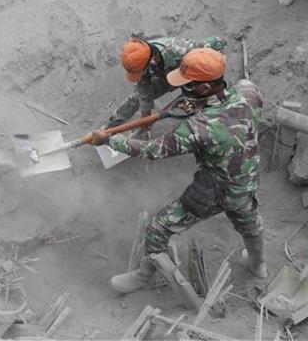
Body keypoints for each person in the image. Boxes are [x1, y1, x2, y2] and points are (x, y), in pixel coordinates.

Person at [89, 48, 267, 293]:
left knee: (159, 227)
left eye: (188, 84)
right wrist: (202, 105)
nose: (183, 88)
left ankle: (143, 275)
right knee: (251, 226)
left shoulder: (199, 128)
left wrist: (109, 140)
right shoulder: (250, 92)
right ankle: (258, 266)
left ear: (204, 88)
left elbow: (153, 150)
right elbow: (233, 106)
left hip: (215, 190)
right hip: (248, 180)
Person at [105, 35, 227, 130]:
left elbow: (218, 41)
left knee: (196, 106)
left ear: (152, 60)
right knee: (135, 98)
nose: (140, 75)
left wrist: (216, 63)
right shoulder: (142, 58)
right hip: (167, 75)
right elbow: (143, 83)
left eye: (140, 72)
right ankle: (110, 126)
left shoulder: (183, 49)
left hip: (192, 75)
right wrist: (146, 112)